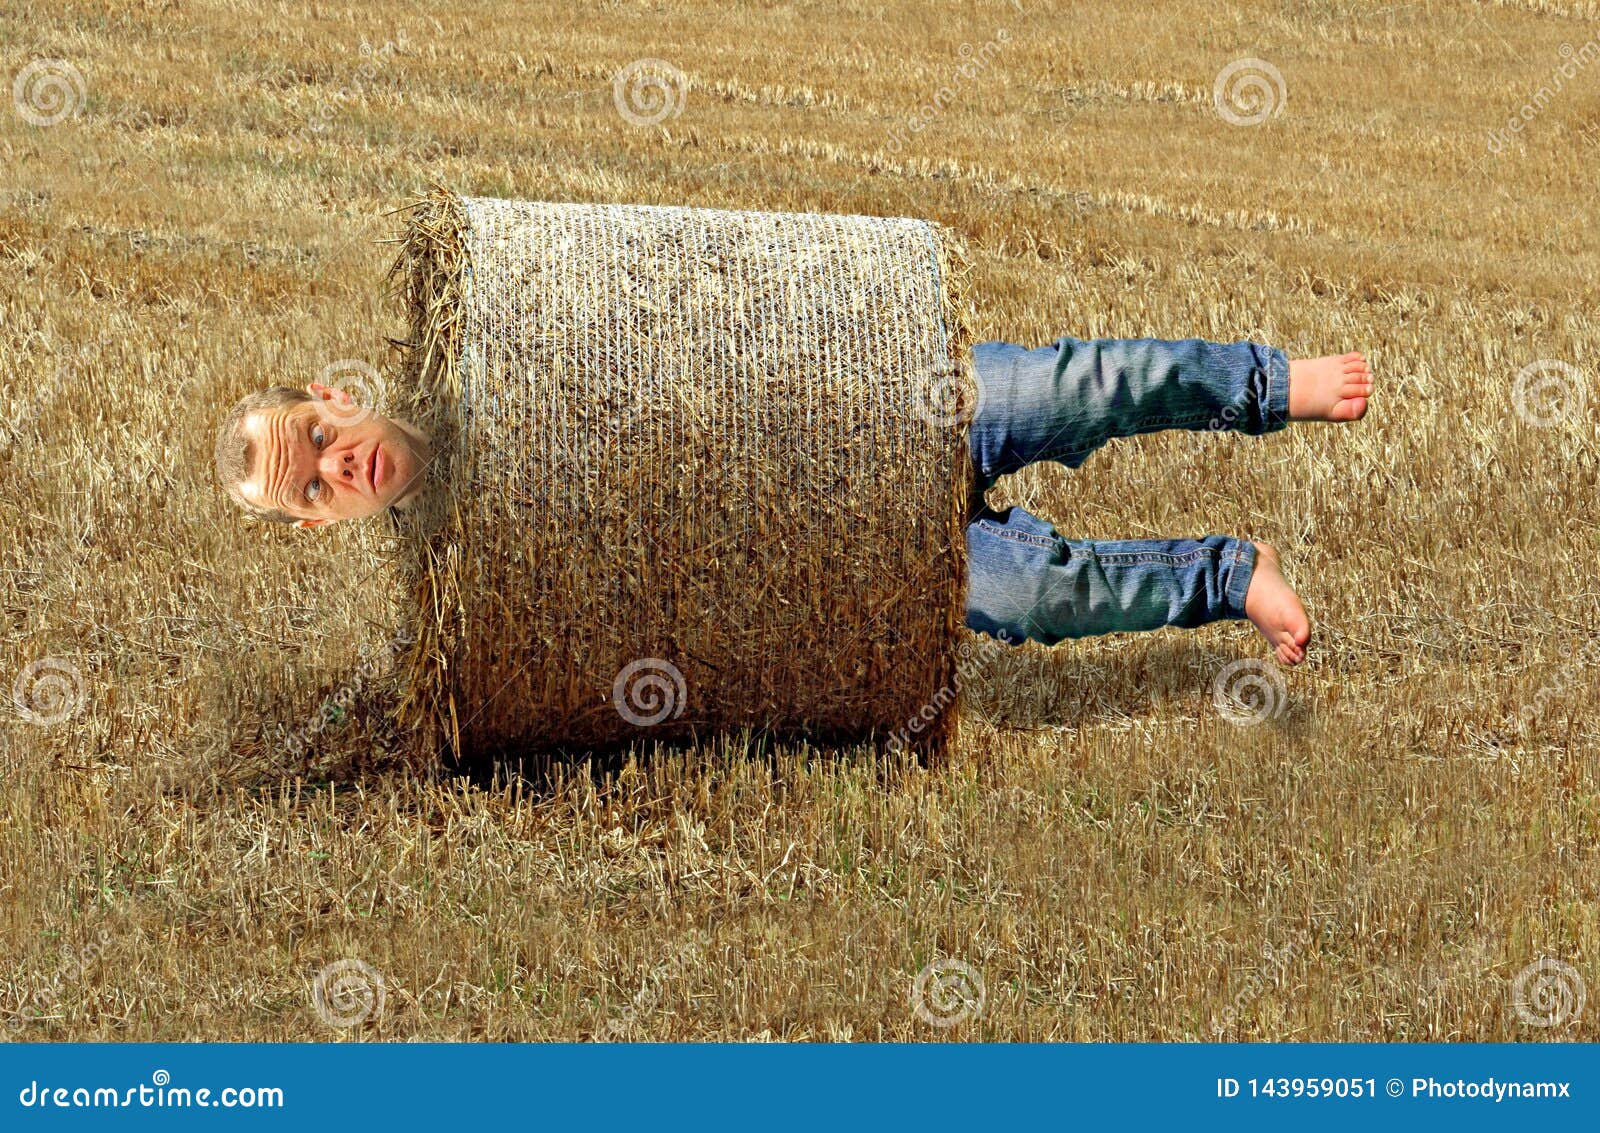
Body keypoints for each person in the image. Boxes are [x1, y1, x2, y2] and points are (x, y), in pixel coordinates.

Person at [213, 336, 1372, 666]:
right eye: (309, 484)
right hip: (858, 547)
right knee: (1034, 597)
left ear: (333, 395)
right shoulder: (466, 588)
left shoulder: (490, 329)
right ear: (320, 522)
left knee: (1084, 386)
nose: (335, 463)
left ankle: (1269, 388)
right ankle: (1227, 576)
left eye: (317, 436)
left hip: (873, 403)